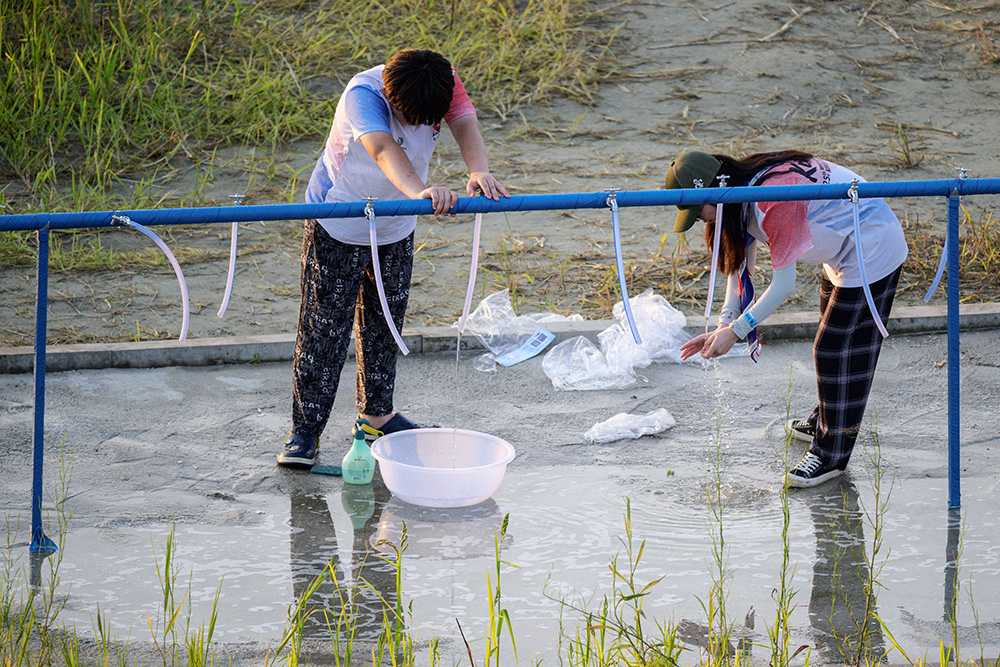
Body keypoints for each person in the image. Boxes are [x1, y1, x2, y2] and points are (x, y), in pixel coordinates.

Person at [277, 49, 508, 469]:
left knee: (385, 323)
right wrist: (421, 191)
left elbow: (465, 123)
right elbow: (383, 148)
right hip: (339, 219)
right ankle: (305, 433)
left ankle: (376, 417)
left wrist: (478, 170)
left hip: (395, 227)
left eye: (427, 120)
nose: (419, 127)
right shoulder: (363, 93)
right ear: (391, 97)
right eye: (410, 116)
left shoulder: (443, 82)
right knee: (323, 331)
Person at [668, 150, 908, 488]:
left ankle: (830, 455)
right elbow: (740, 271)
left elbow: (784, 286)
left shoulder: (772, 198)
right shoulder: (742, 194)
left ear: (713, 189)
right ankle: (827, 419)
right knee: (835, 343)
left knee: (835, 348)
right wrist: (724, 324)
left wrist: (736, 332)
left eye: (699, 211)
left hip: (871, 244)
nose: (702, 220)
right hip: (842, 247)